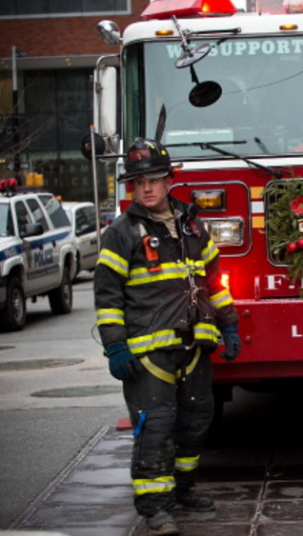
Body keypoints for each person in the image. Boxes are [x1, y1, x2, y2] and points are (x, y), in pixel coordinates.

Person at [94, 138, 241, 536]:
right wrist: (115, 345)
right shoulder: (122, 233)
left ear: (168, 180)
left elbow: (214, 281)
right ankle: (155, 508)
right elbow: (107, 296)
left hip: (194, 346)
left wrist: (228, 323)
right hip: (147, 354)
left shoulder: (192, 224)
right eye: (138, 181)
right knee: (156, 427)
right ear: (132, 187)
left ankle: (183, 488)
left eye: (154, 179)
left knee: (195, 420)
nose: (146, 187)